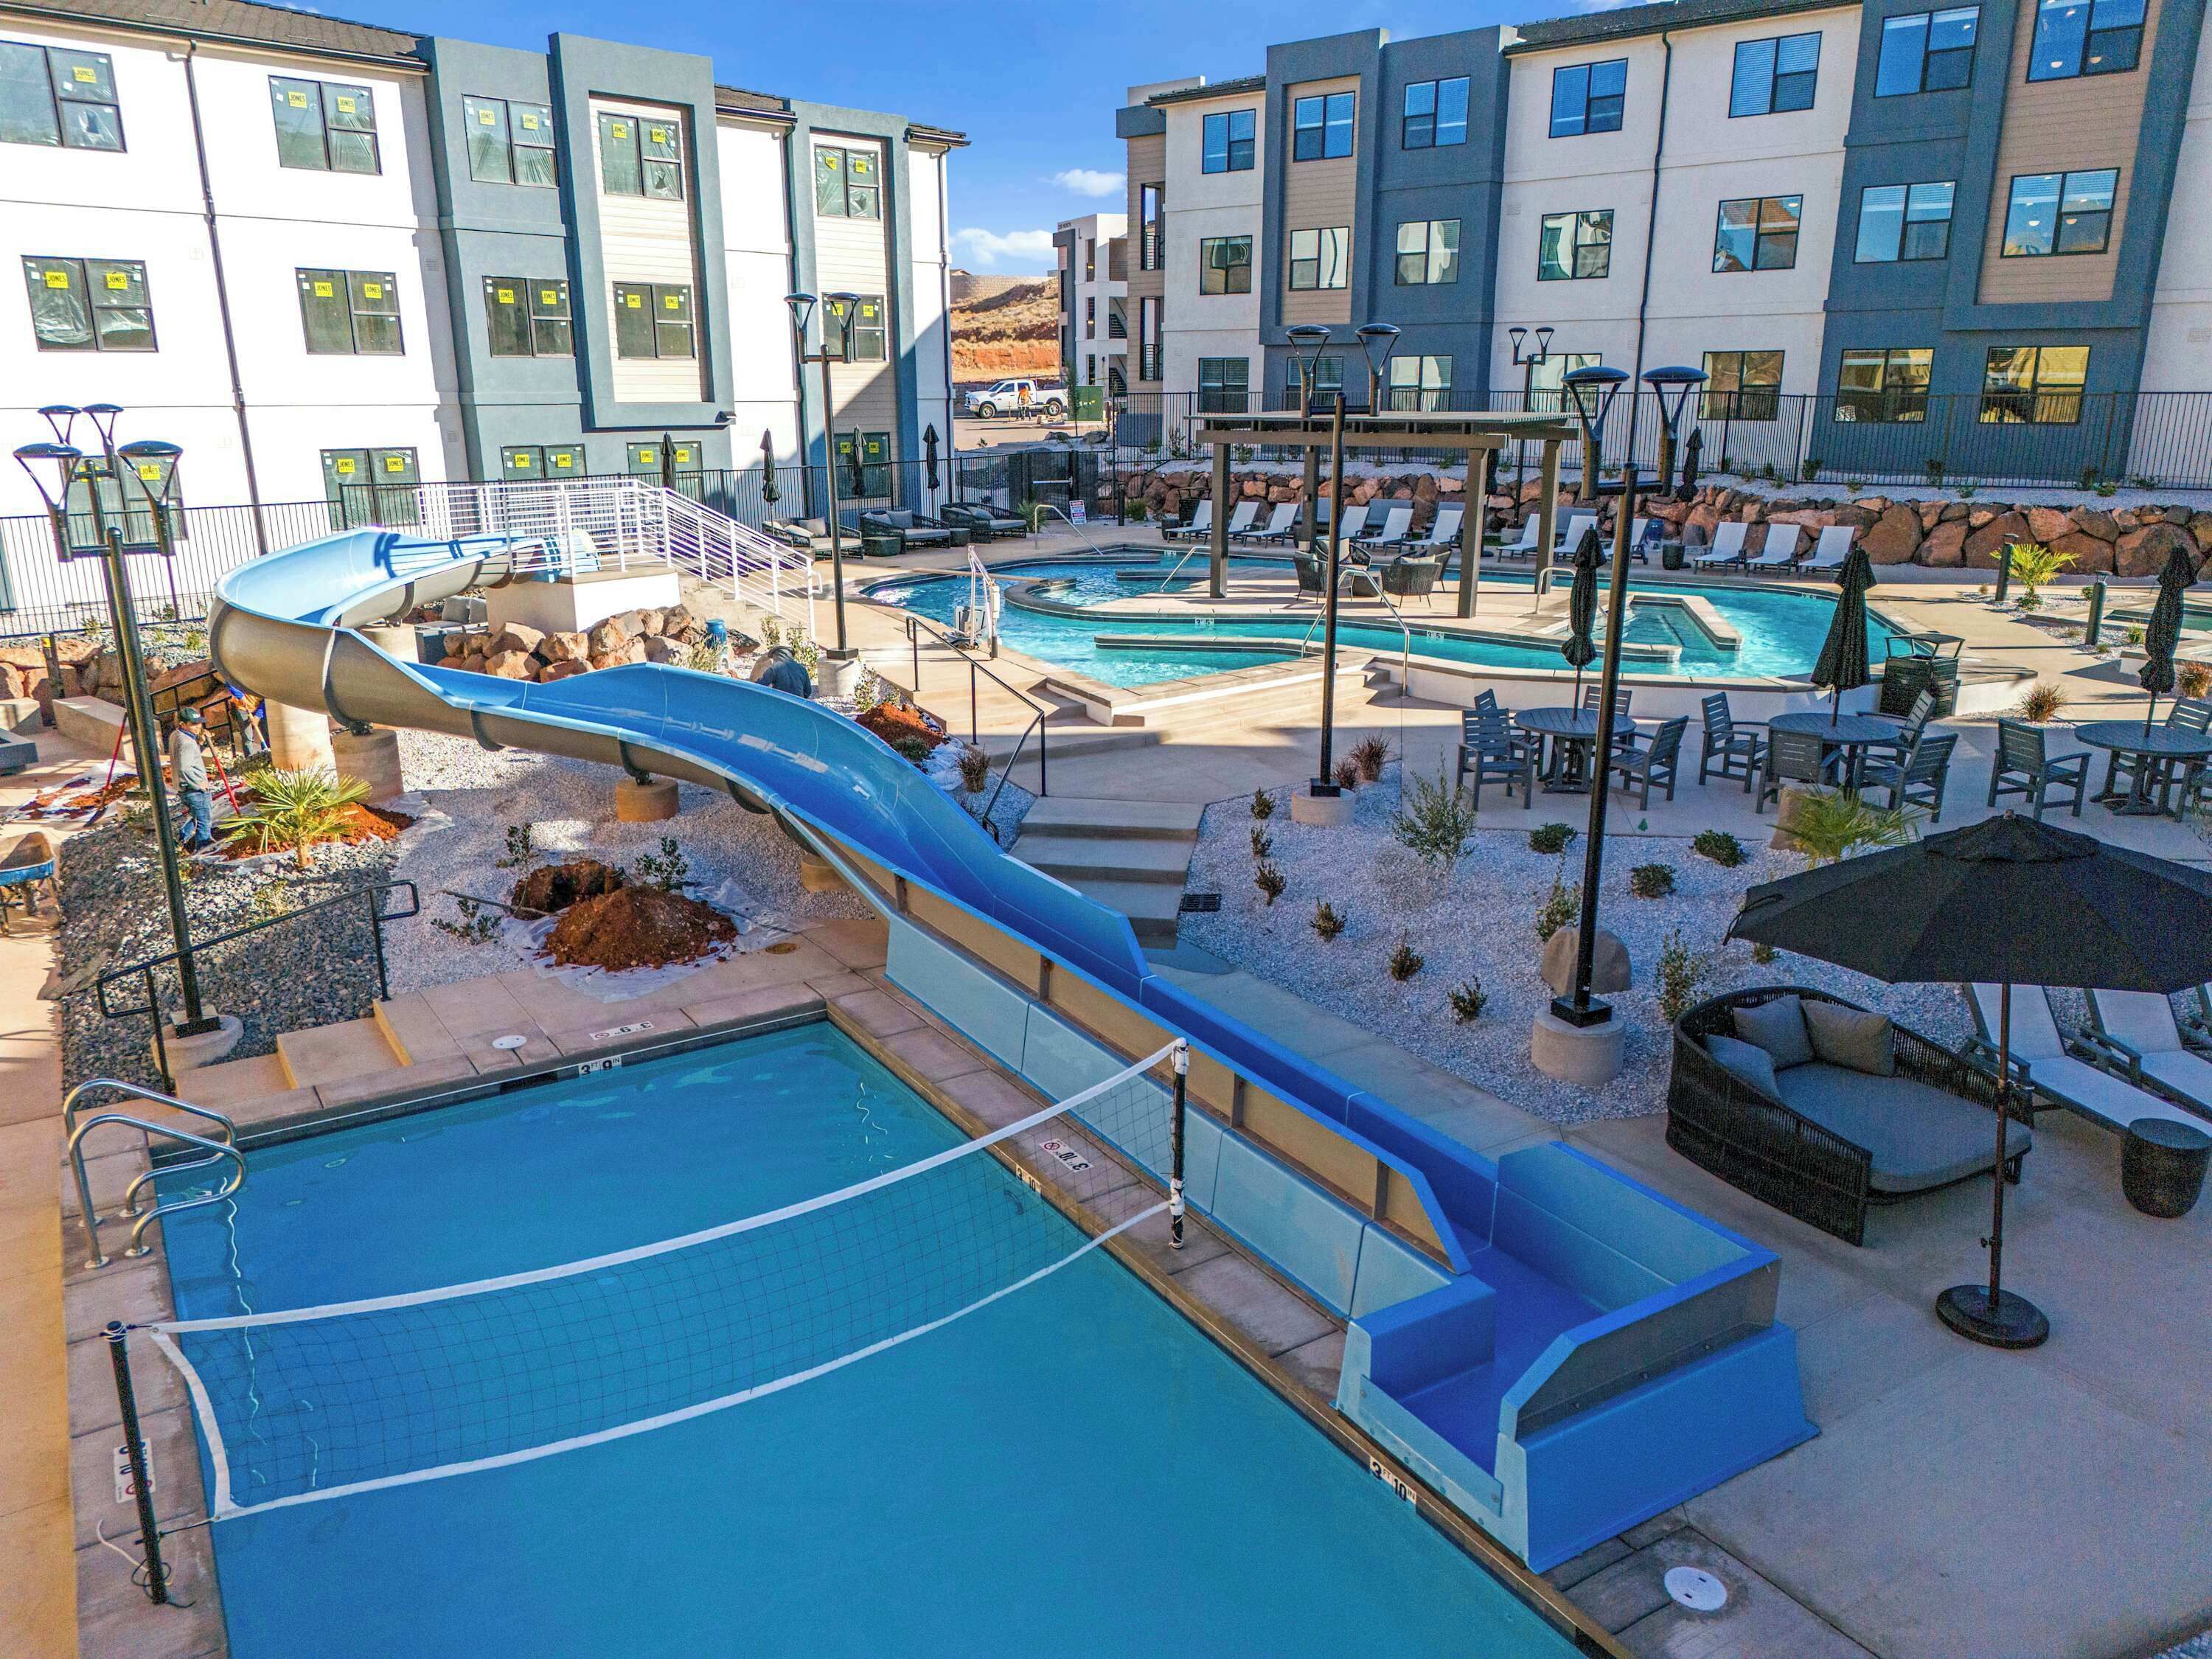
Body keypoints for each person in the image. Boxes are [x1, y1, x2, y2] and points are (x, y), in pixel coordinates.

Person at [168, 706, 216, 850]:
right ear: (182, 724)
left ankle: (184, 835)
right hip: (194, 789)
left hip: (182, 788)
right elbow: (185, 767)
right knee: (204, 819)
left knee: (197, 814)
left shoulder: (176, 736)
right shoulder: (187, 742)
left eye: (199, 723)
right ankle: (203, 847)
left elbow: (189, 757)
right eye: (193, 724)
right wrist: (197, 784)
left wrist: (200, 743)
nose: (198, 727)